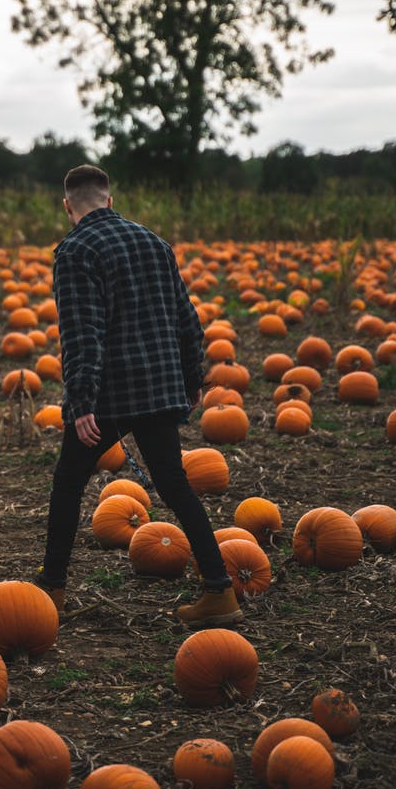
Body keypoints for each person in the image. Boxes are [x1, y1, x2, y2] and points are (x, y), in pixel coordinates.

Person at [35, 164, 242, 630]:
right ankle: (219, 590)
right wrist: (193, 381)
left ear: (68, 206)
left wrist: (81, 401)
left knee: (69, 483)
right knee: (174, 486)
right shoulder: (154, 242)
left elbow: (82, 333)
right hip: (160, 386)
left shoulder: (75, 250)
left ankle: (52, 590)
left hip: (111, 392)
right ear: (109, 199)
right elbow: (187, 318)